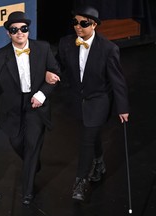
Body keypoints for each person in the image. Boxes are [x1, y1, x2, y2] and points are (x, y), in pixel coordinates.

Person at [47, 5, 129, 201]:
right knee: (90, 133)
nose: (78, 27)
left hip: (99, 100)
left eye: (83, 23)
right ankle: (99, 162)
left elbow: (118, 81)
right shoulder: (66, 43)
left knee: (86, 139)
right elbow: (59, 65)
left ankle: (80, 181)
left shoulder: (109, 49)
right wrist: (52, 73)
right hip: (77, 100)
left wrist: (123, 108)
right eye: (75, 22)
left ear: (94, 25)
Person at [0, 11, 60, 205]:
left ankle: (27, 192)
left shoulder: (43, 48)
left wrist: (42, 93)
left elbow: (55, 73)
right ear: (8, 33)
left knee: (31, 145)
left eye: (23, 29)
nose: (20, 33)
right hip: (10, 110)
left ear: (28, 30)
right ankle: (33, 164)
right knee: (17, 143)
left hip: (36, 106)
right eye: (14, 30)